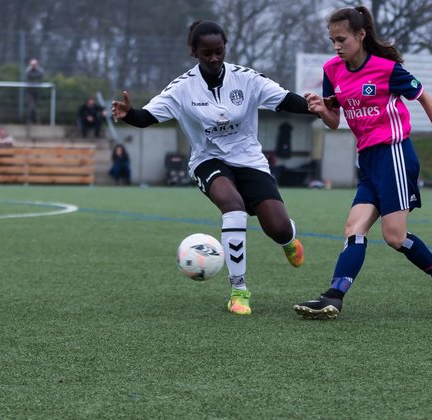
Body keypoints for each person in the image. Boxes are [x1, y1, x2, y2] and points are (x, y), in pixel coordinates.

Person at [111, 20, 314, 316]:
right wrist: (129, 114)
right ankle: (239, 291)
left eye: (219, 51)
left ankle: (288, 238)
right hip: (208, 160)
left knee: (278, 227)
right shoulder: (182, 88)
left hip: (249, 160)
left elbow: (285, 99)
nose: (214, 58)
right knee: (233, 206)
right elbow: (147, 117)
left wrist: (318, 106)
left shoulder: (246, 79)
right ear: (194, 51)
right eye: (207, 53)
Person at [296, 5, 432, 320]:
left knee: (394, 237)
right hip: (368, 160)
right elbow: (333, 120)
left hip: (395, 154)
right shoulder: (332, 70)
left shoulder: (386, 69)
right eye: (332, 40)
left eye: (342, 39)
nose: (336, 46)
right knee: (353, 228)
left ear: (360, 35)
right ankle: (334, 295)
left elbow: (424, 96)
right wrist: (320, 109)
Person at [24, 58, 45, 124]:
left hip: (37, 91)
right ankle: (31, 119)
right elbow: (27, 78)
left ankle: (33, 120)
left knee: (34, 105)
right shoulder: (28, 71)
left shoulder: (40, 71)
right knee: (31, 105)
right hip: (30, 91)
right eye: (32, 65)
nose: (33, 66)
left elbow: (41, 79)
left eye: (35, 64)